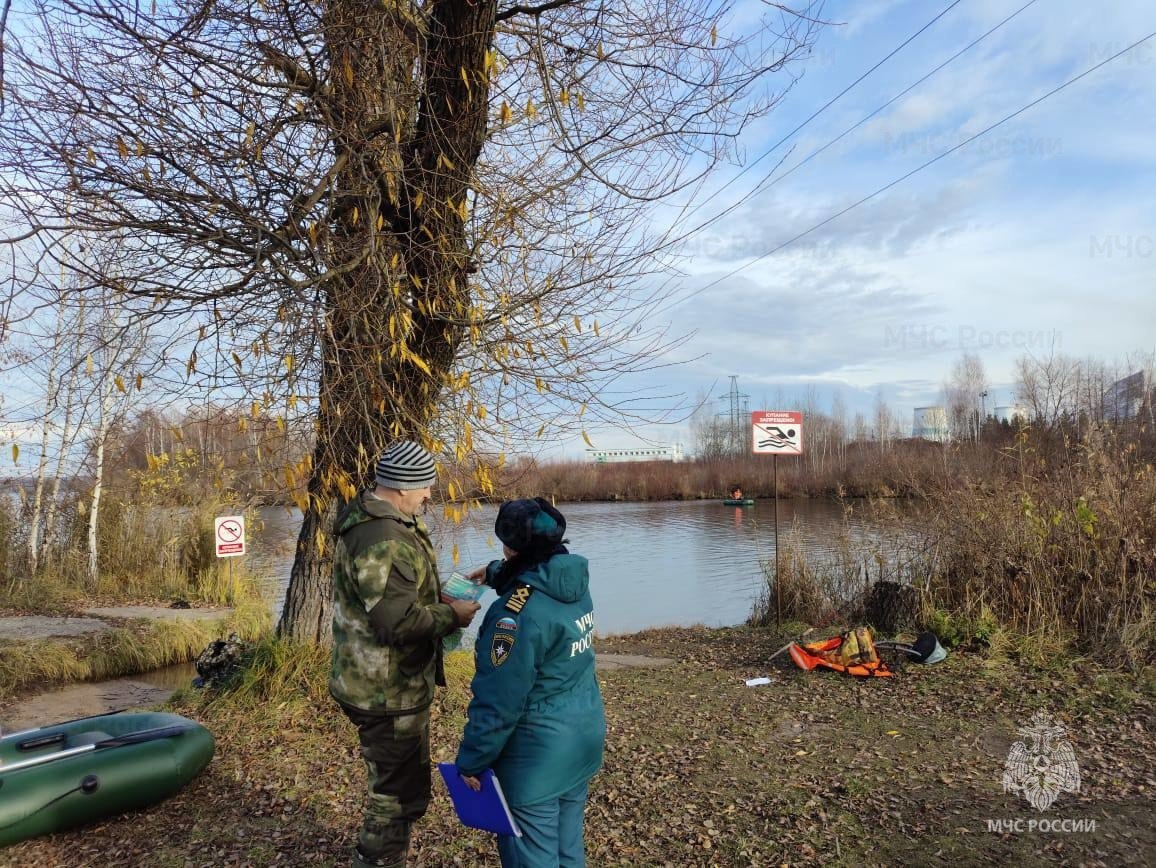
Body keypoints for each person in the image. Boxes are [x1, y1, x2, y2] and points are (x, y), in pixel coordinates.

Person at [330, 440, 481, 868]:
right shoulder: (383, 537)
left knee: (403, 784)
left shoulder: (380, 522)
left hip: (378, 681)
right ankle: (377, 858)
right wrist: (453, 616)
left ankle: (391, 852)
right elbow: (396, 623)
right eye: (425, 487)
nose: (430, 495)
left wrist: (441, 597)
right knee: (394, 794)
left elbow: (391, 600)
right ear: (401, 488)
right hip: (385, 690)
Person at [455, 497, 605, 868]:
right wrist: (494, 573)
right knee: (568, 851)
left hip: (536, 759)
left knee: (532, 857)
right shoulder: (573, 585)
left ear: (511, 546)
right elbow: (536, 578)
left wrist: (472, 762)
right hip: (580, 739)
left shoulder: (513, 618)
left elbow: (499, 701)